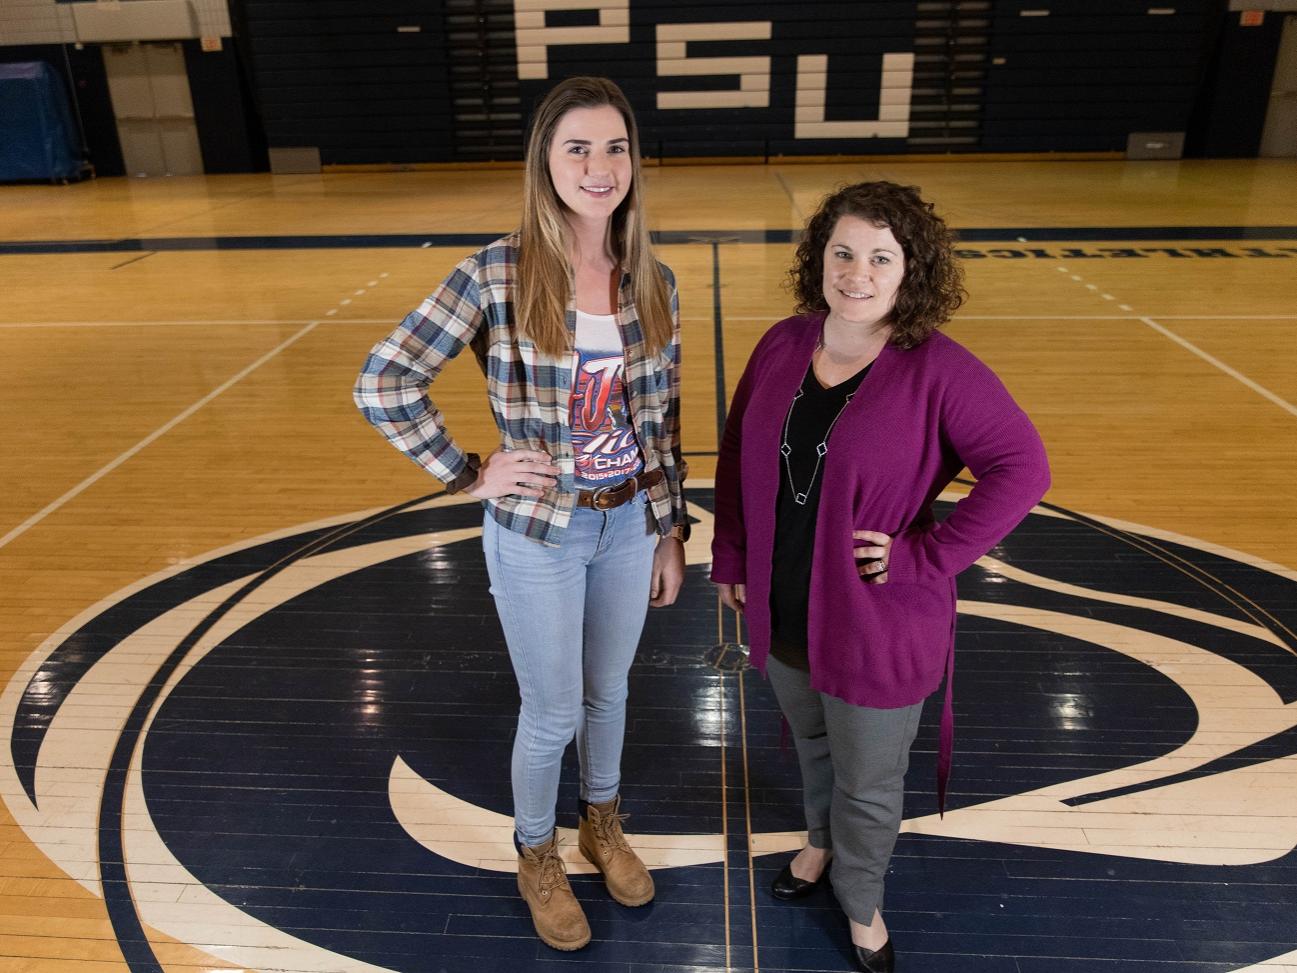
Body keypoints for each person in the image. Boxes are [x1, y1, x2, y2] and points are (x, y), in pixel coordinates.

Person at [353, 76, 688, 952]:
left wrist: (670, 526)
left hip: (626, 525)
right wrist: (470, 471)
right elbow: (384, 380)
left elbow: (661, 420)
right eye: (577, 146)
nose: (598, 165)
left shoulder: (652, 278)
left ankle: (600, 826)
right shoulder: (495, 272)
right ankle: (535, 852)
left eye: (614, 146)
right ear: (544, 160)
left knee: (609, 691)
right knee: (551, 712)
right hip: (540, 530)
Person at [710, 182, 1049, 972]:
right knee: (813, 744)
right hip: (782, 601)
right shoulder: (782, 344)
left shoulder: (939, 368)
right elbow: (734, 457)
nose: (855, 273)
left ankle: (861, 902)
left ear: (909, 271)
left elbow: (1022, 468)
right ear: (817, 259)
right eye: (841, 252)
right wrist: (732, 559)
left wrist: (927, 554)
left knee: (868, 775)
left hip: (877, 617)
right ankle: (820, 845)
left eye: (878, 257)